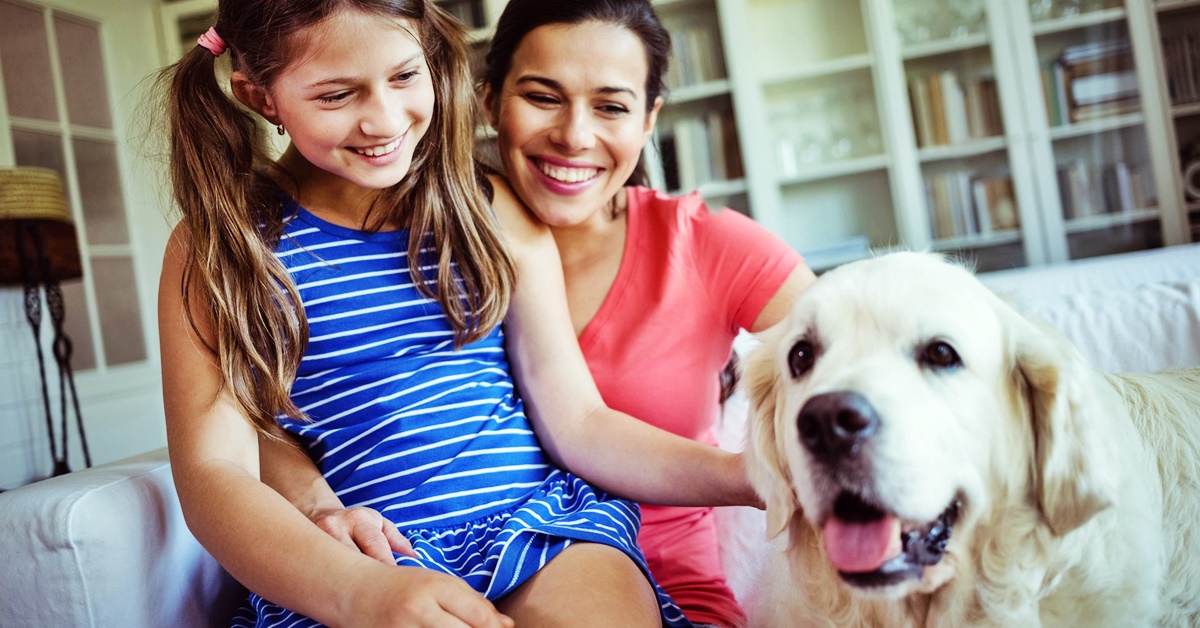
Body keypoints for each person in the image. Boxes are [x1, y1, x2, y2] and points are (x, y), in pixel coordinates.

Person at [156, 1, 763, 627]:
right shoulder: (218, 248)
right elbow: (215, 474)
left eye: (403, 77)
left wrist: (750, 476)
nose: (385, 119)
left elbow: (579, 422)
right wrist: (357, 591)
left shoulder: (488, 205)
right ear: (260, 97)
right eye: (337, 95)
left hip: (541, 529)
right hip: (359, 561)